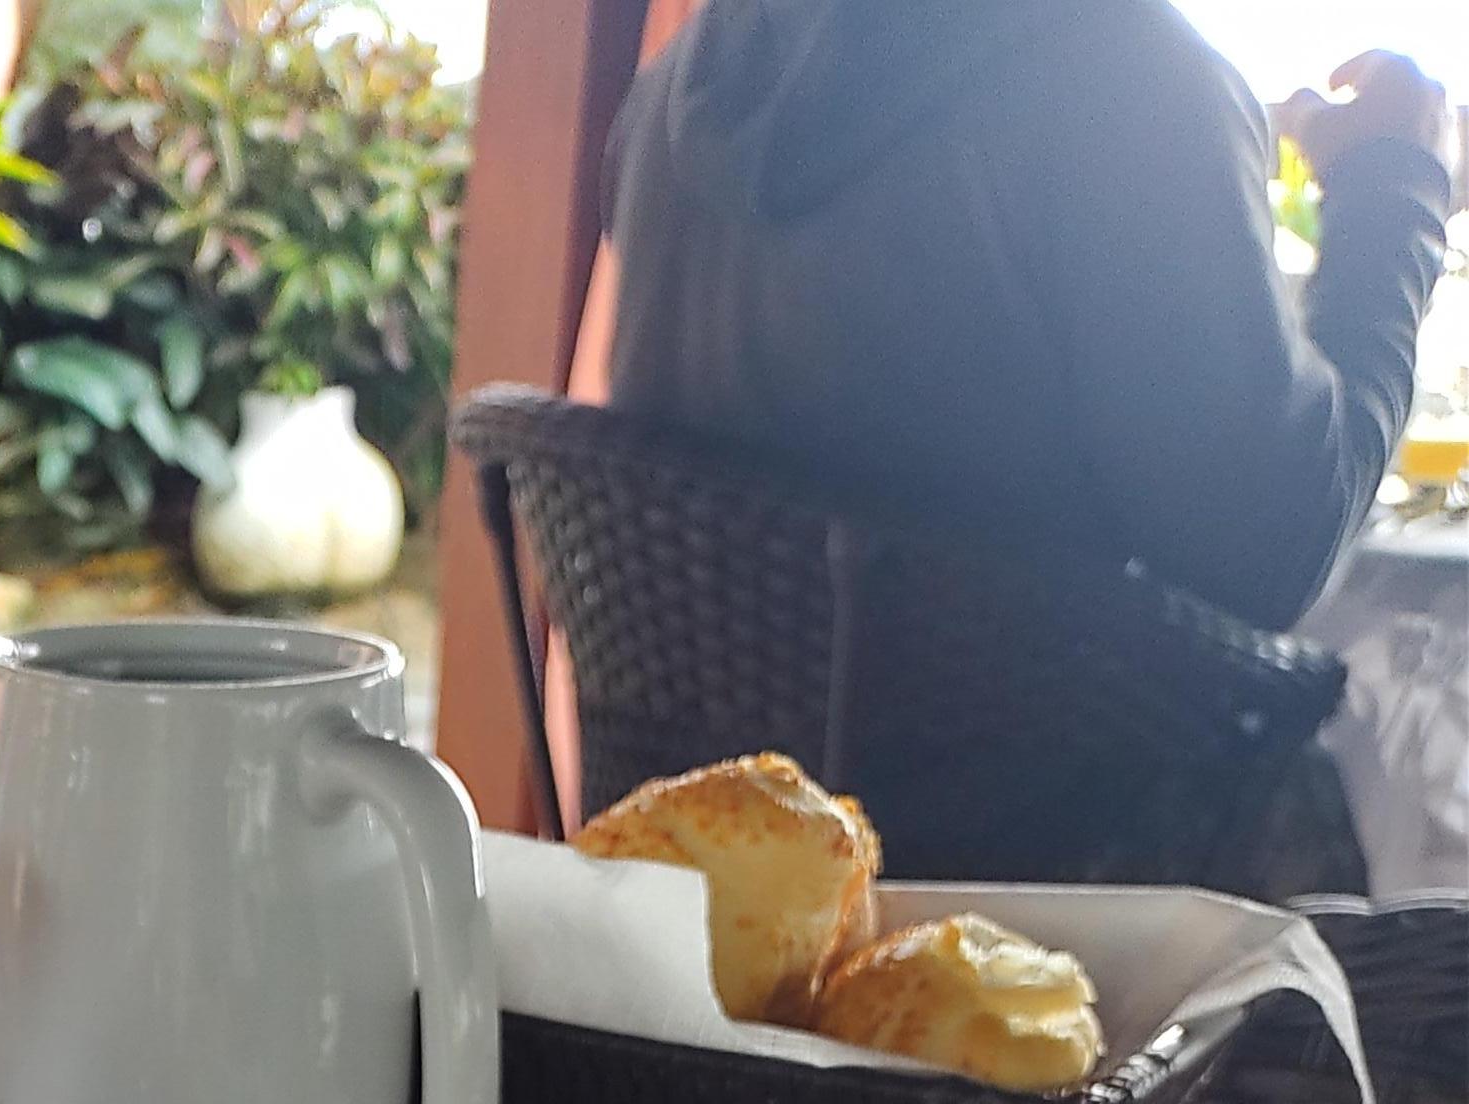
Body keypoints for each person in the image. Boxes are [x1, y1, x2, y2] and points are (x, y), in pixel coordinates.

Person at [605, 5, 1456, 634]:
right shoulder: (1122, 77)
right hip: (1023, 850)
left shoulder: (681, 81)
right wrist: (1395, 185)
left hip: (707, 825)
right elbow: (1275, 552)